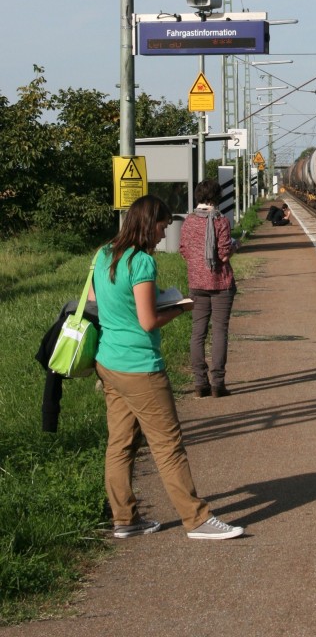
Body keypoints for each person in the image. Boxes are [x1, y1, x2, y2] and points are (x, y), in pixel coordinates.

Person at [91, 194, 243, 541]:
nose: (163, 234)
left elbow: (96, 302)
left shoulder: (103, 254)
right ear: (148, 225)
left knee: (120, 444)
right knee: (168, 446)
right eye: (161, 226)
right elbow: (147, 321)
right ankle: (197, 520)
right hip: (140, 367)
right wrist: (179, 308)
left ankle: (124, 519)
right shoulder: (141, 261)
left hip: (109, 361)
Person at [179, 179, 239, 399]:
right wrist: (235, 245)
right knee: (220, 331)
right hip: (221, 283)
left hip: (197, 284)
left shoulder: (188, 222)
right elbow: (223, 255)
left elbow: (183, 250)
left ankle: (199, 383)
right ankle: (218, 384)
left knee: (198, 332)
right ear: (217, 197)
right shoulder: (221, 221)